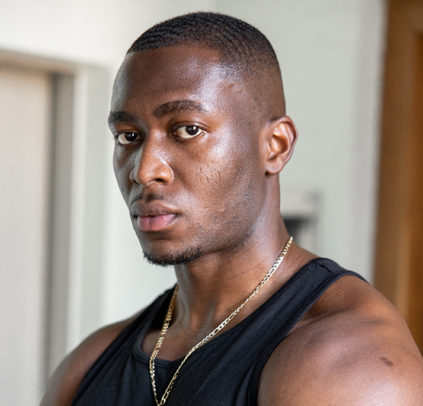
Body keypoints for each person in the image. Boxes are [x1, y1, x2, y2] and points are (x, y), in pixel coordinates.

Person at [41, 12, 423, 406]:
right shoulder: (89, 364)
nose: (144, 170)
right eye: (128, 136)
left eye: (188, 129)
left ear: (275, 146)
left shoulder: (353, 362)